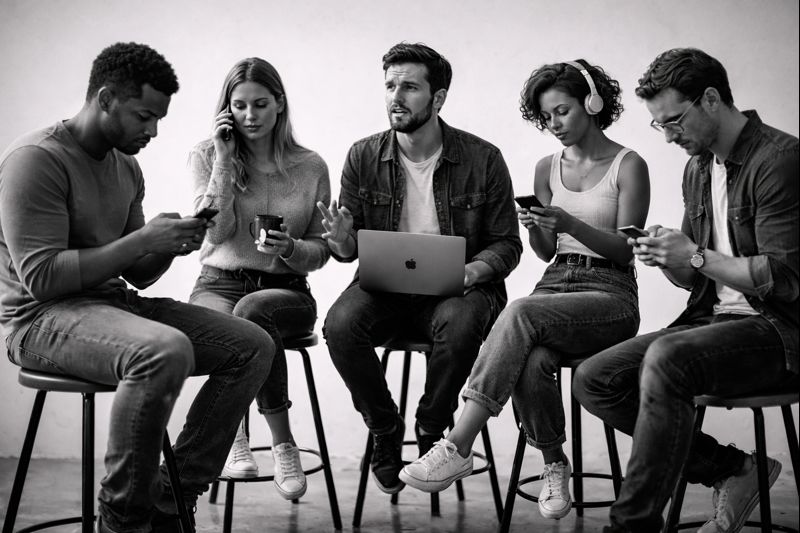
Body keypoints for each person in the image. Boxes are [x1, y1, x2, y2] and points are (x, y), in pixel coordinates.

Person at [0, 42, 274, 533]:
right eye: (144, 116)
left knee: (252, 345)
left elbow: (139, 274)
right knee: (164, 351)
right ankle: (124, 522)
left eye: (158, 120)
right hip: (39, 320)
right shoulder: (35, 160)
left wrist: (170, 244)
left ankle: (170, 498)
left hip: (111, 306)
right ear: (105, 99)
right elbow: (41, 278)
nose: (152, 131)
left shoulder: (126, 166)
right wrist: (143, 239)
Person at [399, 60, 650, 519]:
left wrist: (570, 220)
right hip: (555, 282)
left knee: (517, 313)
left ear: (593, 104)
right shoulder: (545, 167)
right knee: (531, 359)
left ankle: (457, 443)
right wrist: (538, 227)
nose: (554, 125)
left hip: (609, 294)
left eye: (563, 112)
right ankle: (555, 464)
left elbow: (624, 251)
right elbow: (544, 251)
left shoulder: (628, 164)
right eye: (547, 117)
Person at [572, 48, 799, 533]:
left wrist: (695, 256)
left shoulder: (780, 161)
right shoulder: (698, 169)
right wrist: (667, 257)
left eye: (675, 120)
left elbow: (785, 277)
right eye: (661, 125)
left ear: (712, 99)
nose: (670, 135)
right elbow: (694, 276)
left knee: (668, 358)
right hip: (712, 325)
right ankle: (733, 470)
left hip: (779, 331)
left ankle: (630, 525)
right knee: (595, 378)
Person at [318, 42, 522, 495]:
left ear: (438, 97)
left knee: (464, 319)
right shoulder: (362, 156)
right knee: (340, 324)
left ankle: (434, 433)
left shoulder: (482, 159)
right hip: (386, 289)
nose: (396, 96)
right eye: (390, 85)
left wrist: (470, 272)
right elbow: (350, 249)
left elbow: (508, 244)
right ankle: (385, 429)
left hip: (459, 290)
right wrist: (341, 243)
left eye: (409, 87)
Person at [188, 57, 331, 500]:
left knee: (252, 313)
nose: (250, 117)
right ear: (226, 109)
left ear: (280, 105)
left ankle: (282, 443)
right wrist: (225, 161)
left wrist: (289, 249)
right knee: (221, 330)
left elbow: (322, 251)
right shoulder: (206, 155)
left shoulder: (310, 166)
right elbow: (215, 232)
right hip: (217, 283)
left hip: (285, 292)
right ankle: (234, 435)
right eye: (240, 106)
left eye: (261, 105)